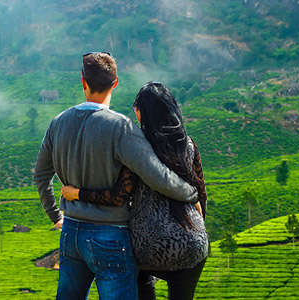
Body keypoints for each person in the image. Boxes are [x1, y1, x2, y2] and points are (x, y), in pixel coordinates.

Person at [34, 53, 199, 300]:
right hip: (110, 236)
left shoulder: (58, 122)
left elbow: (41, 175)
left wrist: (56, 216)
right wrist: (191, 193)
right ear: (115, 83)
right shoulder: (121, 127)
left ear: (83, 83)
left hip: (71, 233)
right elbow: (157, 176)